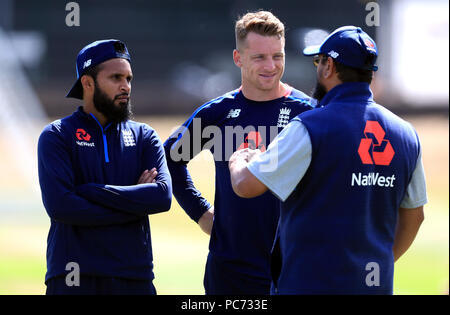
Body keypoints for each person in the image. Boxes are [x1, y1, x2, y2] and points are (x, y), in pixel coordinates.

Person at [229, 26, 427, 294]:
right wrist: (379, 264)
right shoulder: (406, 134)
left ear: (328, 66)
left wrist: (241, 160)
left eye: (318, 60)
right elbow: (415, 216)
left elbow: (246, 185)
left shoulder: (310, 127)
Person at [164, 11, 316, 294]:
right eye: (259, 57)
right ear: (238, 58)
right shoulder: (218, 113)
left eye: (278, 56)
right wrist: (201, 213)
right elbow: (171, 160)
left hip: (292, 269)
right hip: (230, 271)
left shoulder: (307, 112)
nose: (270, 66)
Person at [38, 39, 172, 295]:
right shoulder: (57, 135)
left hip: (134, 277)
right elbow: (62, 207)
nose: (126, 86)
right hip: (73, 279)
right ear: (87, 83)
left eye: (129, 79)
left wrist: (89, 191)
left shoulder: (145, 136)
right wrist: (134, 201)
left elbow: (161, 197)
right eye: (116, 78)